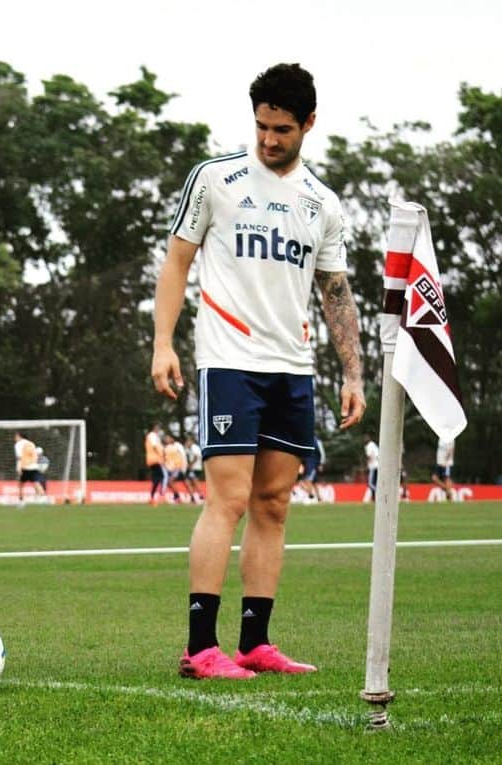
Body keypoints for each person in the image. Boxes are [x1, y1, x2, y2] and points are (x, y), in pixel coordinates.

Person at [151, 63, 365, 679]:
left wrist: (352, 374)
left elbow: (336, 292)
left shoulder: (323, 203)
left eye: (282, 129)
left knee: (274, 504)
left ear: (309, 125)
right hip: (229, 362)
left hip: (293, 368)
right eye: (262, 126)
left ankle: (255, 643)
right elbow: (176, 263)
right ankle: (200, 647)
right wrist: (163, 342)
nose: (269, 139)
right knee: (230, 499)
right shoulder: (216, 179)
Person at [14, 432, 45, 502]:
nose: (14, 438)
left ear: (19, 436)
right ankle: (44, 498)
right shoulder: (31, 443)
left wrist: (18, 468)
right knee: (36, 483)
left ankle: (21, 501)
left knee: (20, 485)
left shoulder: (18, 444)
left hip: (25, 467)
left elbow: (19, 457)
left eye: (15, 436)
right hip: (34, 466)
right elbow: (35, 455)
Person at [297, 435, 325, 503]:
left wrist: (321, 463)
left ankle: (310, 497)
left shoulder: (317, 440)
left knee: (308, 480)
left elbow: (322, 452)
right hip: (306, 465)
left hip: (313, 465)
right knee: (314, 482)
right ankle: (319, 499)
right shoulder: (304, 440)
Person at [162, 434, 190, 504]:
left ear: (172, 438)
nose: (166, 439)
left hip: (178, 467)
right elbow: (166, 459)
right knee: (184, 482)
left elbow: (183, 455)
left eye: (168, 438)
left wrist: (184, 466)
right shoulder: (166, 447)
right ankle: (179, 496)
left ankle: (178, 497)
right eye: (165, 438)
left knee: (171, 481)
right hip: (172, 468)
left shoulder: (177, 445)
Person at [145, 424, 165, 506]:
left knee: (157, 477)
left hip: (153, 459)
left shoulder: (153, 436)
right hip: (154, 459)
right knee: (160, 476)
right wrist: (161, 455)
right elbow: (154, 446)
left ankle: (152, 497)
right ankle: (154, 496)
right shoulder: (152, 435)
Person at [183, 434, 204, 503]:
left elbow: (196, 457)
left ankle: (200, 495)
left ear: (191, 441)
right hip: (191, 468)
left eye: (188, 441)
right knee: (189, 482)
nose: (187, 443)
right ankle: (194, 496)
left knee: (194, 482)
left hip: (195, 468)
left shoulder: (195, 447)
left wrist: (190, 465)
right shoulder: (188, 448)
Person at [364, 435, 380, 502]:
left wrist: (367, 465)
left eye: (365, 438)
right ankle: (374, 498)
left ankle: (379, 492)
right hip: (378, 466)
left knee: (371, 483)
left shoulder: (369, 446)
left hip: (373, 466)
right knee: (375, 482)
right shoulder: (374, 445)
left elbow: (369, 456)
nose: (364, 439)